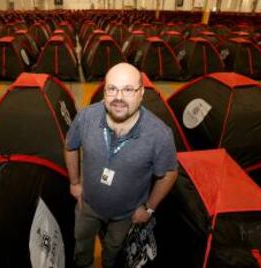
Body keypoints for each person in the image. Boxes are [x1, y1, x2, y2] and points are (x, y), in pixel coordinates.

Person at [64, 63, 178, 268]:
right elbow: (70, 146)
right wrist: (74, 183)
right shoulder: (86, 117)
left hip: (126, 214)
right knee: (81, 240)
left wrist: (149, 208)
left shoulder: (159, 135)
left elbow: (169, 174)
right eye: (112, 89)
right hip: (87, 205)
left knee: (114, 247)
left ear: (141, 93)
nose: (119, 97)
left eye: (128, 90)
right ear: (104, 91)